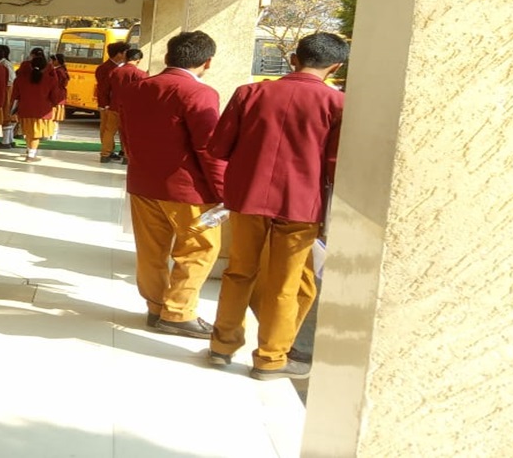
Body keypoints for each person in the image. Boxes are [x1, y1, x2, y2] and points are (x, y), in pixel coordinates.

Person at [206, 32, 349, 381]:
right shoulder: (338, 104)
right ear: (336, 66)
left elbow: (219, 149)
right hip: (301, 205)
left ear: (294, 58)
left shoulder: (250, 93)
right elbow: (335, 164)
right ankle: (270, 359)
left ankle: (222, 346)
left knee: (239, 271)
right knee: (286, 284)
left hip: (248, 198)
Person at [120, 32, 226, 339]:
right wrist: (223, 192)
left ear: (167, 58)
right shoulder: (200, 94)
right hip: (186, 189)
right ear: (207, 62)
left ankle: (156, 308)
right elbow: (208, 148)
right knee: (200, 248)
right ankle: (178, 311)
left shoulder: (137, 89)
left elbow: (126, 136)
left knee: (151, 251)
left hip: (142, 183)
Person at [10, 52, 66, 163]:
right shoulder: (50, 79)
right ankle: (31, 155)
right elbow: (55, 97)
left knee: (28, 132)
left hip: (24, 110)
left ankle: (29, 150)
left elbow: (15, 96)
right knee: (35, 134)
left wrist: (12, 110)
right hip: (42, 111)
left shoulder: (20, 79)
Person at [108, 48, 148, 165]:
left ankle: (105, 154)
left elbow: (107, 88)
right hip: (131, 109)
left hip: (114, 105)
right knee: (128, 133)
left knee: (109, 131)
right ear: (138, 60)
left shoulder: (115, 71)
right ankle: (126, 155)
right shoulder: (140, 74)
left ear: (126, 58)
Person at [96, 41, 129, 163]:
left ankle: (116, 150)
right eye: (125, 52)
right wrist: (103, 104)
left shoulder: (121, 67)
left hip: (118, 104)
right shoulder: (104, 68)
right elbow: (102, 88)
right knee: (107, 129)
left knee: (117, 129)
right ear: (119, 54)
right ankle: (108, 151)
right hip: (108, 105)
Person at [49, 53, 70, 140]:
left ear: (56, 61)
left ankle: (52, 135)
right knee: (55, 119)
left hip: (56, 97)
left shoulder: (57, 71)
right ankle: (54, 135)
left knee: (53, 117)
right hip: (60, 97)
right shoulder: (63, 70)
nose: (51, 62)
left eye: (52, 60)